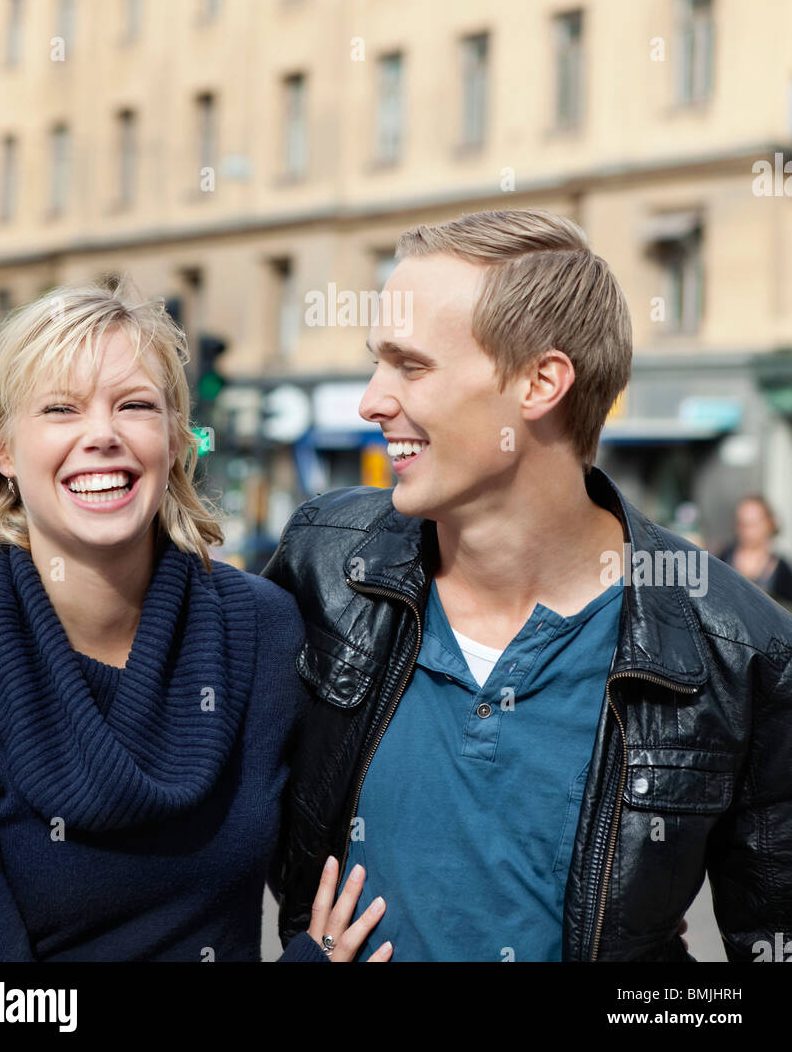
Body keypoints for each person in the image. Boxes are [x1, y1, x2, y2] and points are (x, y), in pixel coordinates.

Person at [263, 208, 792, 961]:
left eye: (410, 365)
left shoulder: (740, 649)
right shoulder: (323, 561)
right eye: (378, 363)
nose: (371, 400)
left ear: (540, 382)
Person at [0, 279, 390, 963]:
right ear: (1, 450)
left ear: (176, 438)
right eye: (60, 409)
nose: (102, 436)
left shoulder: (264, 632)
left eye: (135, 405)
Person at [718, 495, 792, 613]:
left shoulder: (782, 571)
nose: (747, 531)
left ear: (769, 524)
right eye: (742, 523)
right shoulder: (724, 557)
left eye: (753, 524)